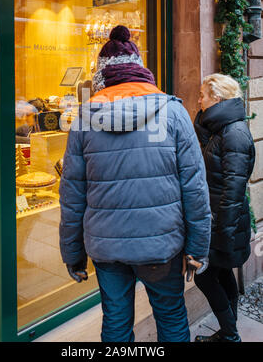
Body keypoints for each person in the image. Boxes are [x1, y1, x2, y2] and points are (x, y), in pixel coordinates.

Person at [59, 25, 211, 342]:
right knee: (171, 317)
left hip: (107, 246)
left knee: (115, 323)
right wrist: (198, 246)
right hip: (161, 245)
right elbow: (195, 187)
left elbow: (72, 196)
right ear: (140, 70)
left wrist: (73, 253)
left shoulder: (84, 120)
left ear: (102, 78)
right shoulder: (172, 112)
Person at [193, 73, 256, 343]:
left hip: (223, 221)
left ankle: (230, 336)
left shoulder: (234, 134)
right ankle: (228, 333)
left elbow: (233, 190)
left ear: (217, 98)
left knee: (205, 278)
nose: (198, 100)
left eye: (203, 96)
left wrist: (221, 233)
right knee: (221, 274)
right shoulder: (222, 129)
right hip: (220, 219)